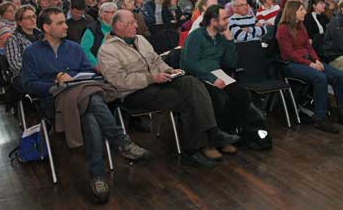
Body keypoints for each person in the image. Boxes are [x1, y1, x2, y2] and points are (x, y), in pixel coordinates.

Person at [21, 7, 147, 203]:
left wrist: (77, 79)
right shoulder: (32, 52)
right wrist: (55, 83)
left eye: (65, 21)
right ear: (46, 27)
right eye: (60, 23)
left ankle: (98, 176)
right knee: (92, 103)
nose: (66, 26)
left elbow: (91, 74)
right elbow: (28, 85)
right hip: (54, 101)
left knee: (89, 111)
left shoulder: (74, 47)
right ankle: (120, 142)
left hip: (82, 95)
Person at [98, 10, 240, 165]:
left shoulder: (140, 39)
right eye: (132, 22)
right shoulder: (107, 50)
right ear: (119, 25)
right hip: (134, 93)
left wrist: (169, 70)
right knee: (186, 99)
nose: (136, 25)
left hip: (157, 82)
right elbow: (119, 81)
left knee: (191, 82)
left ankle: (212, 133)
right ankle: (194, 149)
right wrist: (151, 78)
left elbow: (156, 61)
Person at [181, 4, 268, 150]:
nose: (228, 21)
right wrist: (211, 77)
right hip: (198, 76)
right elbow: (189, 63)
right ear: (213, 21)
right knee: (219, 98)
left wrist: (229, 40)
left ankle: (227, 132)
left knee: (242, 95)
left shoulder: (221, 38)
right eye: (224, 19)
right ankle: (214, 138)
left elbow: (231, 62)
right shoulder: (196, 36)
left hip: (218, 74)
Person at [276, 0, 343, 132]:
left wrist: (316, 60)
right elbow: (288, 54)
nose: (305, 12)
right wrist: (310, 63)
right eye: (301, 10)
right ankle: (320, 118)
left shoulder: (301, 26)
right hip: (290, 64)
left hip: (307, 60)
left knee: (338, 75)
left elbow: (308, 46)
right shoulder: (283, 28)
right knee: (320, 78)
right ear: (292, 12)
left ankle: (342, 112)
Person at [5, 5, 43, 93]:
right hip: (25, 75)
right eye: (28, 18)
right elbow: (16, 65)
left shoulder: (42, 35)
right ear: (19, 22)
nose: (33, 20)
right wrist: (39, 70)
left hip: (46, 71)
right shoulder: (13, 39)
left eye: (34, 16)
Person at [81, 2, 117, 70]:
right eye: (112, 12)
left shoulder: (117, 28)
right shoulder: (92, 29)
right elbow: (84, 50)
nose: (115, 15)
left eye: (116, 12)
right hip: (98, 68)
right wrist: (96, 65)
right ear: (102, 14)